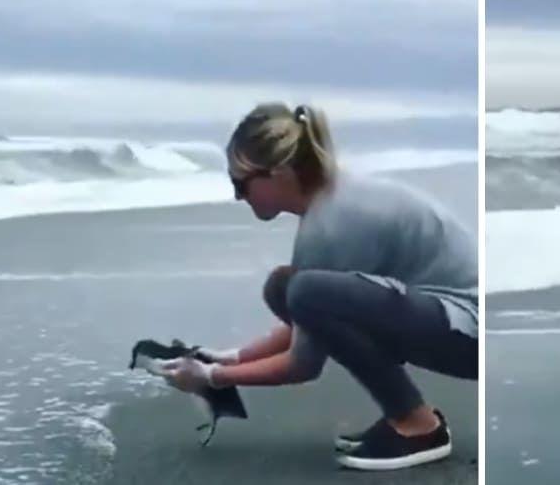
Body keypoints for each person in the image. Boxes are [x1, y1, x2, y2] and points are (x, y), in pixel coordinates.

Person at [161, 102, 478, 471]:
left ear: (278, 173)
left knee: (303, 290)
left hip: (470, 335)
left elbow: (302, 364)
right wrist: (232, 357)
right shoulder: (333, 201)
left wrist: (211, 378)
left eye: (240, 184)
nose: (237, 196)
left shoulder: (336, 221)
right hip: (448, 323)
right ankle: (409, 416)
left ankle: (417, 425)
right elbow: (312, 324)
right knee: (286, 288)